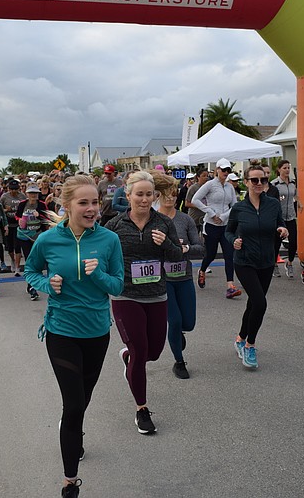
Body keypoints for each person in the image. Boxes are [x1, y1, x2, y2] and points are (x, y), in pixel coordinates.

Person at [24, 175, 124, 498]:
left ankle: (74, 432)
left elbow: (118, 286)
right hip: (61, 331)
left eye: (95, 202)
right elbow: (29, 271)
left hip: (97, 332)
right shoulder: (48, 240)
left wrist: (99, 275)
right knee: (74, 402)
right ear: (66, 206)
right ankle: (70, 481)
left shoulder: (109, 240)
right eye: (84, 203)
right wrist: (46, 283)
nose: (92, 208)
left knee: (82, 401)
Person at [105, 171, 182, 435]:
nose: (144, 199)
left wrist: (167, 243)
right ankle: (142, 409)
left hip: (157, 294)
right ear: (127, 195)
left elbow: (178, 257)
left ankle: (127, 356)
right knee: (140, 350)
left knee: (154, 352)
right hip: (125, 295)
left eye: (149, 194)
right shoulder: (115, 226)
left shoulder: (162, 223)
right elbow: (102, 255)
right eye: (139, 194)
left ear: (155, 196)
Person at [225, 166, 288, 368]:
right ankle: (250, 346)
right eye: (254, 180)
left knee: (254, 303)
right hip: (244, 261)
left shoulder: (273, 205)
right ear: (246, 182)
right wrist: (234, 240)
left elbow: (281, 223)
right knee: (260, 303)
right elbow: (229, 232)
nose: (259, 183)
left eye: (262, 180)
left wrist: (283, 229)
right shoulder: (239, 208)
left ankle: (240, 337)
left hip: (267, 261)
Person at [154, 172, 204, 380]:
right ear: (158, 196)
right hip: (163, 281)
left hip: (183, 277)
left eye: (173, 194)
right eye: (166, 195)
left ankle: (179, 334)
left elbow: (200, 249)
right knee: (173, 321)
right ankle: (179, 361)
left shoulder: (185, 220)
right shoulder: (153, 219)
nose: (170, 198)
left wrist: (184, 250)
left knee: (188, 323)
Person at [191, 158, 241, 299]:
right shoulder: (210, 185)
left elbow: (235, 206)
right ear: (217, 170)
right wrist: (211, 213)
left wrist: (224, 216)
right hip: (211, 226)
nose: (226, 172)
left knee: (229, 255)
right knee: (211, 254)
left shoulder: (230, 187)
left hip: (225, 225)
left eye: (228, 170)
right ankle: (202, 270)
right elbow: (195, 200)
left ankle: (230, 286)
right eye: (223, 170)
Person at [17, 183, 50, 300]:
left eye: (35, 193)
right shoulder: (22, 204)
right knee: (29, 260)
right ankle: (32, 287)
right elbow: (17, 216)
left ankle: (33, 284)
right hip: (25, 236)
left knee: (37, 260)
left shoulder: (41, 205)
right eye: (31, 193)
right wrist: (20, 220)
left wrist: (39, 215)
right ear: (27, 194)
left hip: (38, 235)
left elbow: (47, 218)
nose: (33, 195)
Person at [272, 159, 299, 279]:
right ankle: (274, 264)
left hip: (291, 216)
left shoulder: (293, 182)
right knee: (276, 243)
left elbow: (296, 195)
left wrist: (300, 203)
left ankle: (290, 263)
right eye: (285, 168)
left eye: (288, 168)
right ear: (279, 170)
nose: (287, 170)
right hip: (279, 218)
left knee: (293, 242)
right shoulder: (274, 184)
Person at [0, 179, 25, 276]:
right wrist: (6, 209)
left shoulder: (22, 196)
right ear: (8, 189)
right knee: (9, 247)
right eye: (12, 189)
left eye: (16, 189)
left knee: (17, 246)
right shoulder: (4, 197)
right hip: (8, 223)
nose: (13, 191)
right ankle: (13, 260)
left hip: (18, 224)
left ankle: (17, 267)